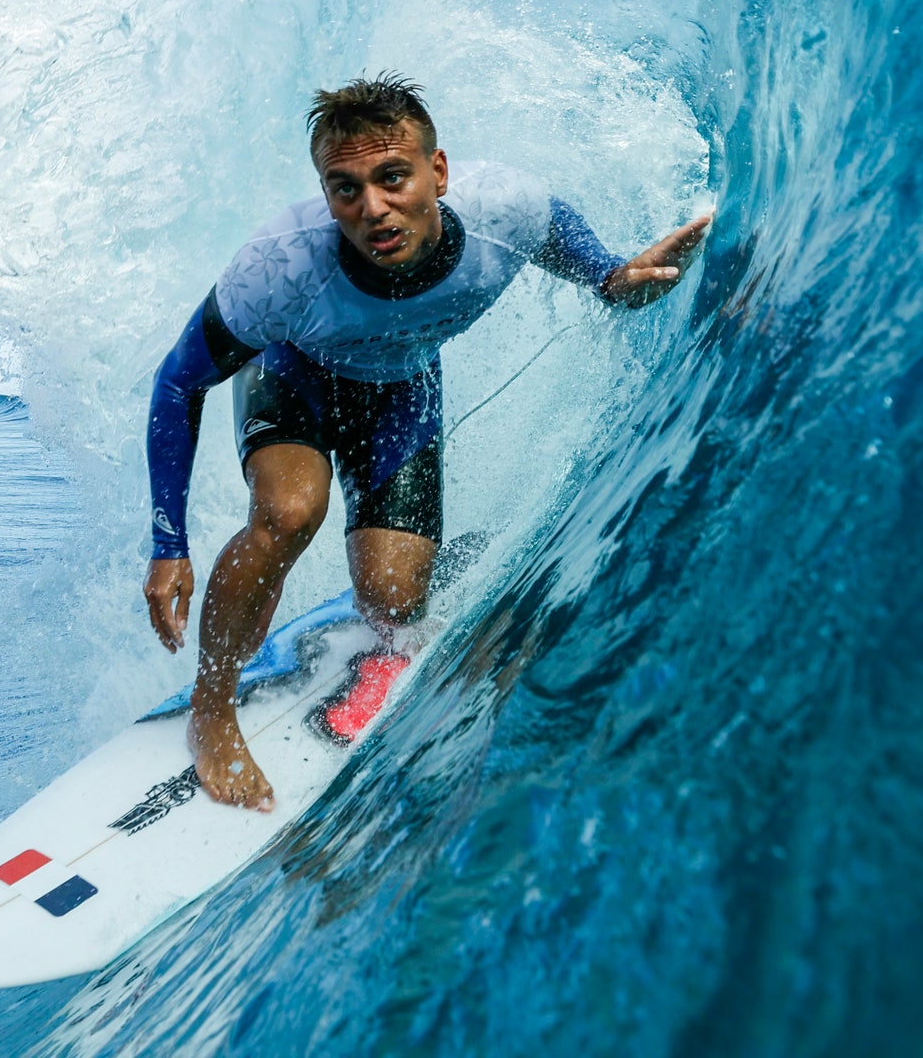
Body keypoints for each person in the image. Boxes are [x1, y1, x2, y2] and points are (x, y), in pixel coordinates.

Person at [142, 74, 711, 810]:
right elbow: (178, 383)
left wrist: (619, 278)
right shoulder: (279, 269)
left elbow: (600, 274)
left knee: (393, 605)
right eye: (344, 189)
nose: (371, 207)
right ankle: (211, 708)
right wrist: (167, 544)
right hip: (296, 377)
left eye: (393, 177)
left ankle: (415, 582)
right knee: (291, 513)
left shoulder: (505, 210)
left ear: (436, 173)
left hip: (401, 392)